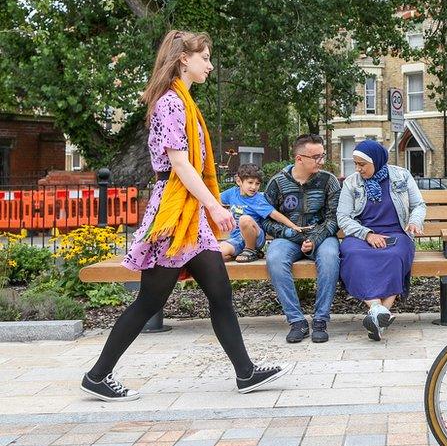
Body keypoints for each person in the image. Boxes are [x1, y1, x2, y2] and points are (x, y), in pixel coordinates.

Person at [81, 30, 286, 402]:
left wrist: (205, 207)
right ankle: (97, 375)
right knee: (149, 301)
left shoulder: (183, 102)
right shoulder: (171, 103)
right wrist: (214, 204)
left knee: (220, 292)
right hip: (176, 215)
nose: (209, 64)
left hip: (188, 216)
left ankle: (245, 373)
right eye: (204, 57)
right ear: (183, 59)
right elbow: (179, 164)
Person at [337, 140, 425, 341]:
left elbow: (419, 204)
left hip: (396, 233)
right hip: (361, 235)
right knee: (352, 254)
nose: (358, 169)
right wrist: (368, 235)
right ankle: (380, 312)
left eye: (362, 164)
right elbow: (343, 217)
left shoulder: (401, 176)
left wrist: (414, 222)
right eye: (356, 164)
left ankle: (377, 314)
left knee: (395, 256)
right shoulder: (352, 183)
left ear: (376, 161)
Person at [262, 134, 341, 344]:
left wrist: (314, 238)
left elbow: (334, 219)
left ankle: (320, 320)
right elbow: (264, 219)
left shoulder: (328, 181)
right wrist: (291, 233)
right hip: (288, 239)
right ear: (299, 159)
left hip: (322, 237)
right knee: (275, 258)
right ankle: (296, 321)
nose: (321, 161)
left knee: (331, 256)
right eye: (316, 157)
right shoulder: (277, 183)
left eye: (322, 155)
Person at [218, 163, 309, 263]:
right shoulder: (231, 193)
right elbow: (215, 199)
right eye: (250, 182)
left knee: (244, 219)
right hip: (236, 239)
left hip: (256, 237)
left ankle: (251, 251)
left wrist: (293, 226)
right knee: (216, 254)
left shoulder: (258, 199)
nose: (254, 187)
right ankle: (243, 255)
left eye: (257, 184)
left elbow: (274, 214)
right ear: (239, 181)